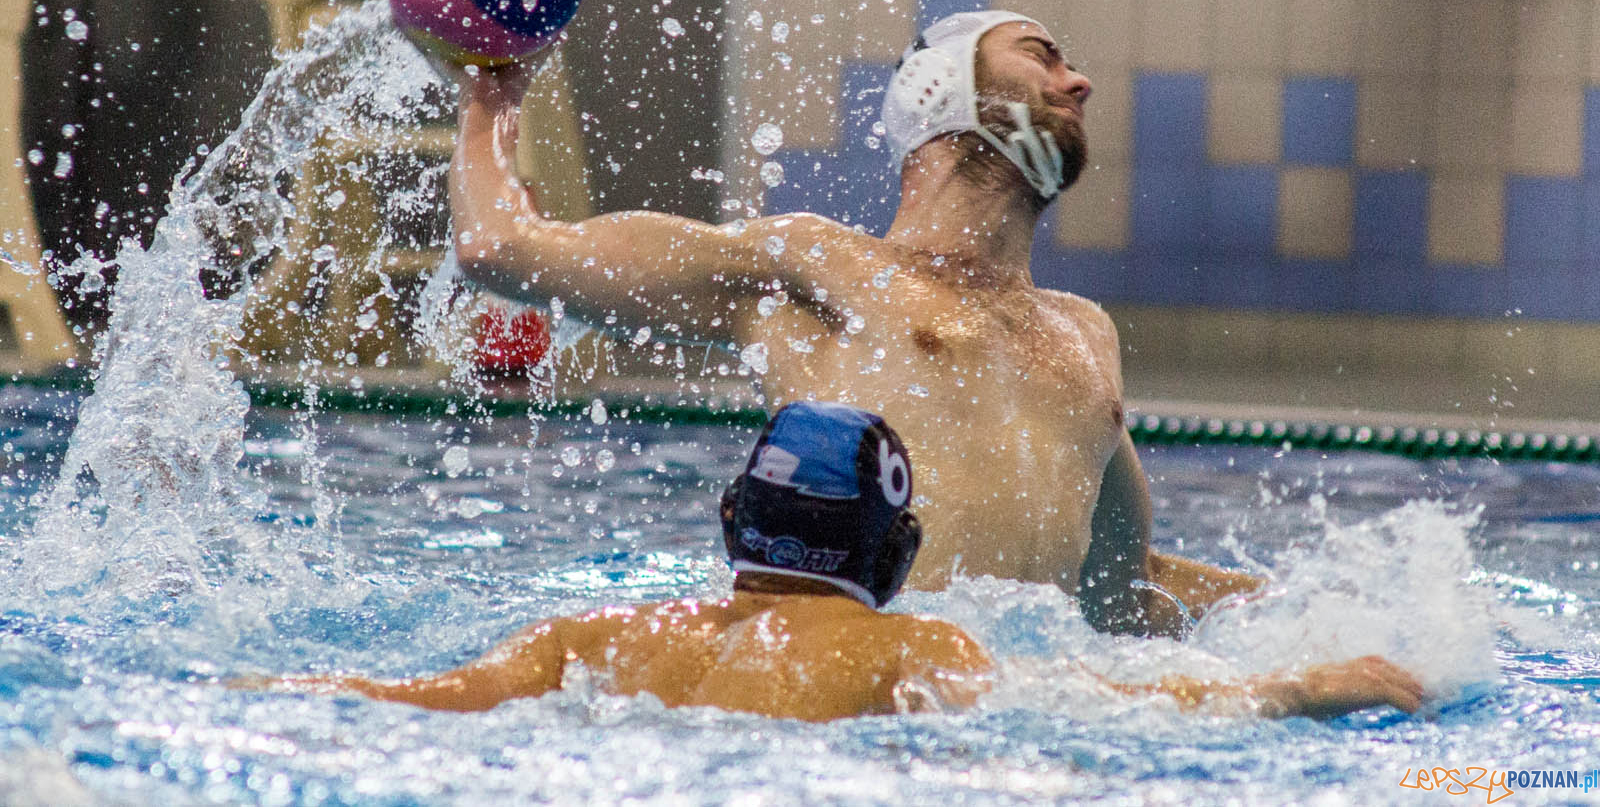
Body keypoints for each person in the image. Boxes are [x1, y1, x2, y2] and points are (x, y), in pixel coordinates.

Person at [446, 9, 1260, 637]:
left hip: (1005, 723)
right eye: (1039, 55)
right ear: (940, 88)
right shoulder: (815, 269)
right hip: (858, 704)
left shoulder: (1085, 334)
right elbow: (501, 247)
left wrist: (1323, 611)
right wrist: (494, 91)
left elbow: (1122, 595)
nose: (1078, 81)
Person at [249, 403, 1423, 722]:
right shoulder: (914, 646)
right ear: (897, 553)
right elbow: (1105, 710)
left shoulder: (594, 635)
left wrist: (263, 692)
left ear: (732, 521)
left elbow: (407, 700)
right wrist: (1287, 685)